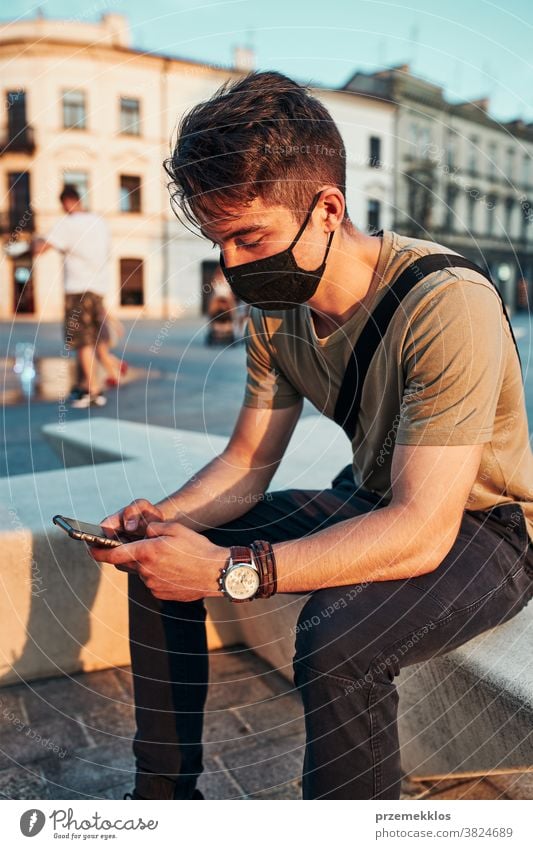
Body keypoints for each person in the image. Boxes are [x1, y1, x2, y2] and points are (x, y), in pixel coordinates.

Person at [89, 72, 533, 800]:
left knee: (337, 641)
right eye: (217, 240)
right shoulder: (275, 308)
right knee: (160, 558)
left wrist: (231, 569)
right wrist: (162, 521)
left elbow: (424, 530)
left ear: (327, 209)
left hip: (488, 530)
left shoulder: (446, 303)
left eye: (248, 235)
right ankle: (163, 800)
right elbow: (245, 461)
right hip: (371, 499)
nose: (231, 263)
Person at [32, 185, 112, 407]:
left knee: (82, 342)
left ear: (67, 202)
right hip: (98, 289)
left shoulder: (68, 224)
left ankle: (93, 392)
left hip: (77, 290)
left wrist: (36, 239)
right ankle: (86, 386)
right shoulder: (99, 222)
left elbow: (40, 248)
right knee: (91, 341)